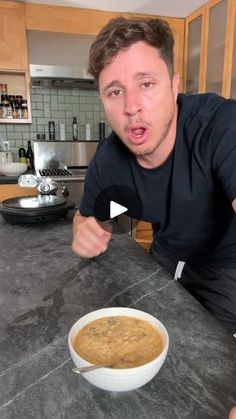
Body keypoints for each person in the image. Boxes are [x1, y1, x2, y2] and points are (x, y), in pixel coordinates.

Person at [72, 17, 236, 334]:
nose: (132, 106)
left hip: (226, 266)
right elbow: (89, 219)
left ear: (174, 86)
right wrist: (85, 232)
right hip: (164, 258)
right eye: (115, 91)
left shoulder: (220, 126)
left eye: (146, 84)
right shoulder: (110, 165)